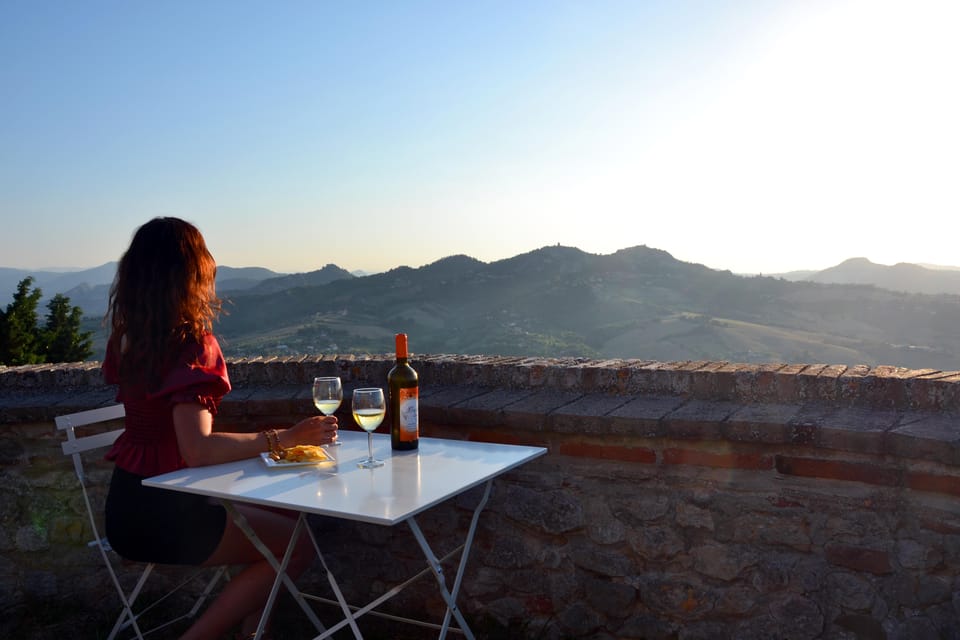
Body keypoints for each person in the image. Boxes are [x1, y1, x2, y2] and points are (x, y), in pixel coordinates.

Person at [102, 217, 338, 639]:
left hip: (126, 510)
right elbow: (199, 450)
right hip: (169, 514)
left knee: (278, 525)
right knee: (295, 546)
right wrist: (287, 437)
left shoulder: (126, 339)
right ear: (193, 273)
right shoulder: (192, 346)